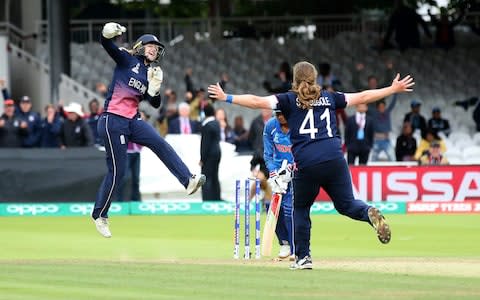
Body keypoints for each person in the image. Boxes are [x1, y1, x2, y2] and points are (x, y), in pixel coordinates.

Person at [208, 61, 414, 269]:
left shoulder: (288, 100)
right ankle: (368, 212)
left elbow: (255, 101)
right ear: (315, 79)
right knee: (347, 204)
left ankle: (303, 258)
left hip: (307, 162)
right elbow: (363, 97)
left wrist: (227, 97)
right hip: (335, 158)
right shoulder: (329, 97)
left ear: (294, 80)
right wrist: (393, 88)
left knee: (300, 208)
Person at [92, 22, 205, 238]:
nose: (154, 50)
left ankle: (187, 180)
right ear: (140, 47)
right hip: (112, 120)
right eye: (150, 46)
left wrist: (154, 89)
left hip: (132, 121)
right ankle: (100, 215)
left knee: (160, 143)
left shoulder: (150, 73)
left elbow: (154, 104)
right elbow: (107, 44)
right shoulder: (127, 60)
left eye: (157, 48)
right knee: (118, 172)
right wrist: (107, 34)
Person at [263, 109, 294, 260]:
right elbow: (268, 153)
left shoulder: (298, 124)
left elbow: (306, 149)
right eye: (278, 114)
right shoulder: (270, 125)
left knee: (289, 210)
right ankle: (285, 244)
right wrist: (273, 171)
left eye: (283, 114)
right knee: (270, 206)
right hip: (277, 172)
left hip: (295, 172)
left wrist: (293, 166)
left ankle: (297, 247)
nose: (280, 117)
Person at [200, 104, 221, 201]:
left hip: (209, 155)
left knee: (206, 177)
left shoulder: (207, 126)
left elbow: (205, 144)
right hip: (217, 153)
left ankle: (207, 198)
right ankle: (216, 197)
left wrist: (202, 158)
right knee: (215, 177)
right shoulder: (216, 123)